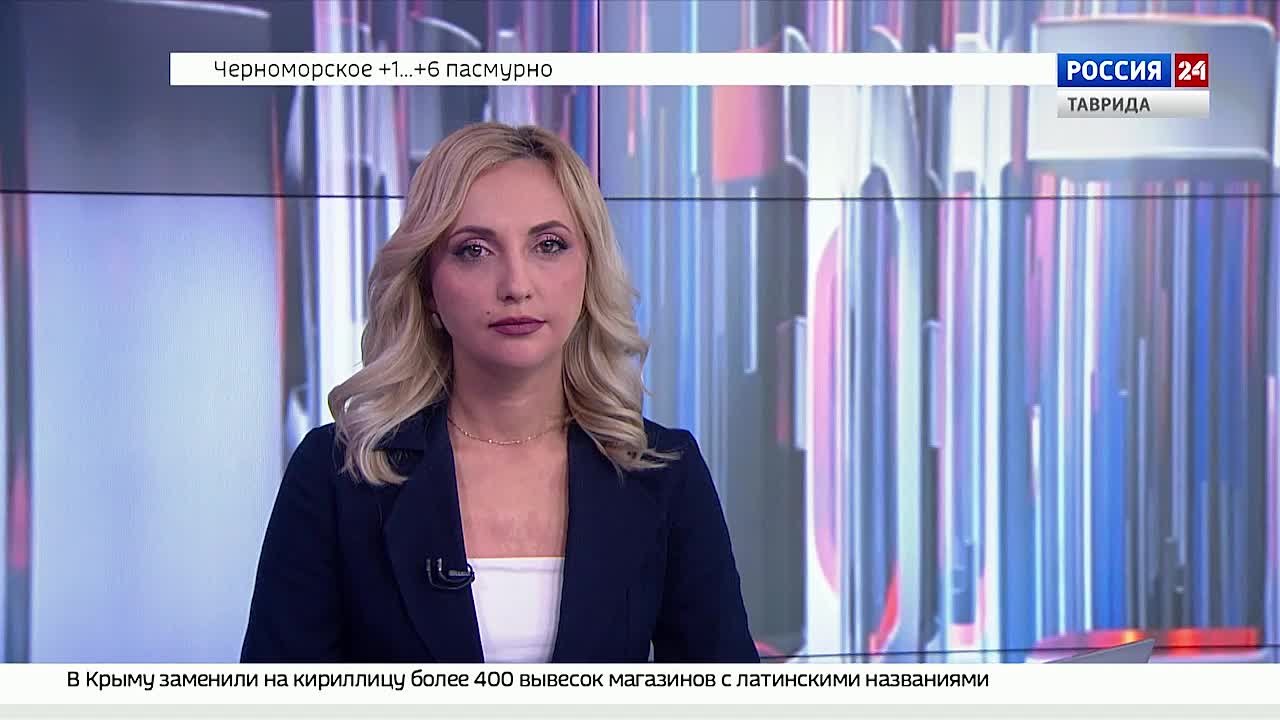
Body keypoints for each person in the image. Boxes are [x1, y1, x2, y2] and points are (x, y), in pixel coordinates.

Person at [241, 122, 759, 663]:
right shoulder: (337, 475)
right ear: (427, 285)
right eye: (474, 250)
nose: (516, 285)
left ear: (588, 270)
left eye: (549, 245)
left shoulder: (664, 472)